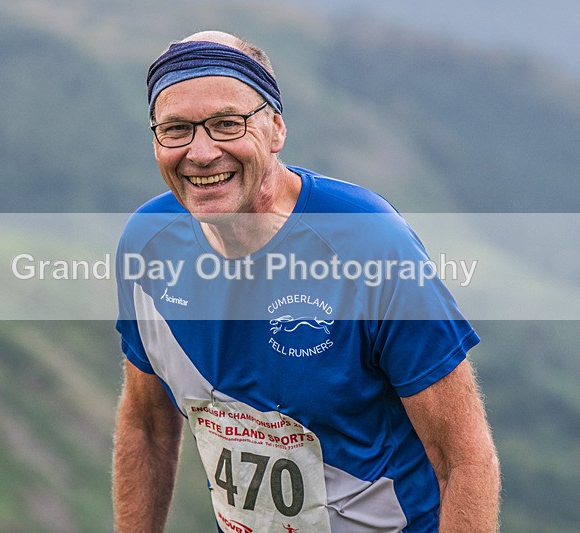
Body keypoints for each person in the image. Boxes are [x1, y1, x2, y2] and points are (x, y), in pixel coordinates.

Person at [113, 30, 500, 532]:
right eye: (176, 129)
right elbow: (146, 426)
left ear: (275, 129)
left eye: (227, 124)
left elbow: (465, 459)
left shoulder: (368, 241)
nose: (201, 152)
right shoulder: (147, 243)